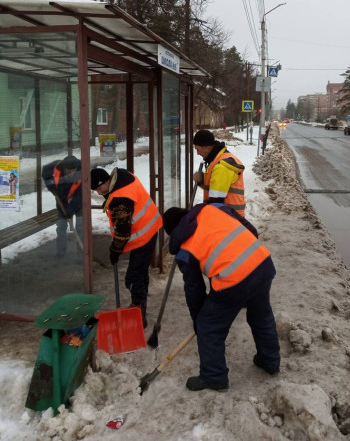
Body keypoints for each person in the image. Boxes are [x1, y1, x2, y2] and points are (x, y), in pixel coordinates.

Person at [162, 202, 280, 392]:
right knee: (261, 316)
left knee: (209, 326)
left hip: (234, 283)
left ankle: (214, 376)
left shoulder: (184, 248)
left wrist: (198, 319)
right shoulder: (215, 208)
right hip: (262, 264)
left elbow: (194, 288)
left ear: (173, 232)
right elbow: (251, 230)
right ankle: (270, 361)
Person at [90, 167, 163, 328]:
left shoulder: (120, 199)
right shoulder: (124, 177)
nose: (98, 192)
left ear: (106, 181)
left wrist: (115, 250)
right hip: (150, 228)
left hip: (143, 236)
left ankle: (138, 309)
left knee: (132, 277)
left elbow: (123, 231)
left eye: (99, 188)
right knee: (140, 272)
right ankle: (140, 305)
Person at [193, 129, 246, 216]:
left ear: (206, 146)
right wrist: (202, 181)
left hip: (228, 218)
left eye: (198, 149)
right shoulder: (218, 159)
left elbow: (216, 201)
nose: (198, 153)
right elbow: (216, 185)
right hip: (230, 215)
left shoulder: (221, 167)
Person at [42, 155, 83, 257]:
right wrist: (50, 185)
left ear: (76, 169)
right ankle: (61, 253)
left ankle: (82, 254)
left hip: (78, 203)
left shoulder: (83, 173)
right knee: (61, 227)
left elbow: (78, 198)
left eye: (71, 171)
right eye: (67, 171)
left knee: (80, 226)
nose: (68, 173)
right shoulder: (58, 166)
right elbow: (45, 172)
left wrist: (69, 212)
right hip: (61, 200)